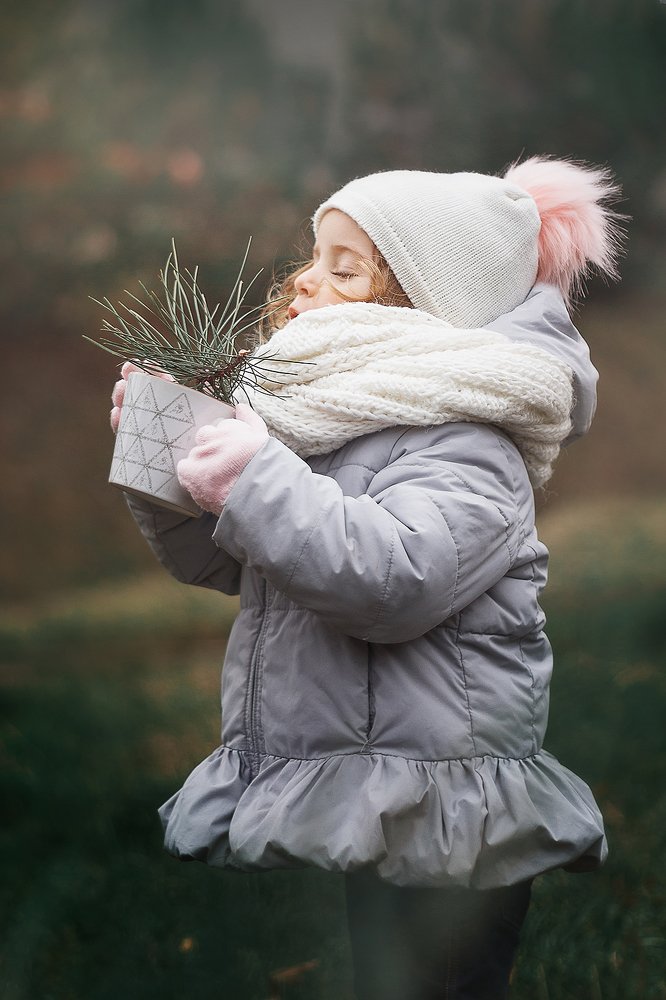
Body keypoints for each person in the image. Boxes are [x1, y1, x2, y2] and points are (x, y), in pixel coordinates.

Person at [110, 157, 623, 999]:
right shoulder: (335, 428)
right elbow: (227, 559)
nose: (305, 282)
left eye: (345, 270)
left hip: (450, 804)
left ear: (424, 312)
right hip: (382, 787)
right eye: (314, 258)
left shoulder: (471, 442)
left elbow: (395, 579)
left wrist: (254, 481)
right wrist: (169, 469)